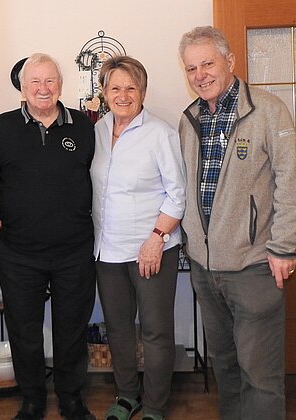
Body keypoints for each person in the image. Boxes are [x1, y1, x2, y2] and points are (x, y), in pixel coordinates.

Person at [178, 26, 296, 420]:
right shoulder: (189, 119)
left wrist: (284, 247)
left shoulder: (267, 110)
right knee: (225, 366)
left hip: (255, 265)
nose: (199, 74)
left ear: (230, 61)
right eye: (191, 68)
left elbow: (292, 181)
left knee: (260, 374)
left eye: (207, 64)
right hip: (205, 268)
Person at [0, 53, 96, 420]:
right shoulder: (1, 128)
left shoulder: (83, 126)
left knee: (72, 330)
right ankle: (32, 399)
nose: (43, 88)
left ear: (60, 86)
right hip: (18, 252)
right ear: (23, 88)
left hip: (73, 250)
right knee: (24, 330)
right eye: (35, 81)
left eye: (50, 81)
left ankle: (71, 399)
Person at [91, 56, 186, 420]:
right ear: (104, 92)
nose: (123, 95)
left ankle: (156, 406)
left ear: (143, 92)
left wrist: (157, 237)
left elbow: (177, 193)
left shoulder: (160, 133)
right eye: (115, 87)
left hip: (152, 248)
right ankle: (127, 396)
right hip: (107, 250)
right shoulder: (97, 131)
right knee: (118, 329)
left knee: (155, 331)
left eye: (131, 88)